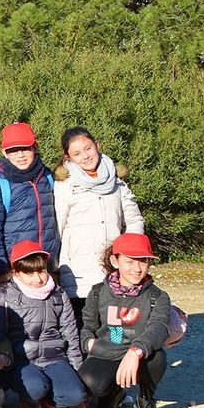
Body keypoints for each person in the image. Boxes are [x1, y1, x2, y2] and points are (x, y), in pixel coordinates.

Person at [0, 241, 87, 408]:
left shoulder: (58, 294)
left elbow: (70, 335)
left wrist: (78, 375)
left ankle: (51, 401)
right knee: (35, 387)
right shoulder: (6, 295)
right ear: (16, 273)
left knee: (76, 394)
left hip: (55, 358)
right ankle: (31, 401)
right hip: (23, 361)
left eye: (41, 271)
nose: (38, 278)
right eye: (29, 273)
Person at [79, 233, 172, 408]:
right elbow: (87, 324)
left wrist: (135, 350)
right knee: (90, 381)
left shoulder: (158, 297)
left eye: (143, 261)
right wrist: (89, 343)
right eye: (130, 262)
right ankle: (115, 392)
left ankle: (146, 399)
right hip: (106, 352)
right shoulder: (97, 292)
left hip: (139, 354)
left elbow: (159, 328)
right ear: (115, 261)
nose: (137, 269)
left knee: (157, 360)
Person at [54, 126, 144, 317]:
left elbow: (134, 218)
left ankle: (116, 348)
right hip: (78, 271)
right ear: (68, 157)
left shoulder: (116, 182)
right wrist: (54, 266)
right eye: (77, 153)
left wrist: (131, 252)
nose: (85, 156)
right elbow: (58, 227)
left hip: (111, 267)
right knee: (82, 327)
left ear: (97, 145)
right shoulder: (65, 185)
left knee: (114, 326)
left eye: (88, 148)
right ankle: (86, 347)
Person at [0, 121, 59, 276]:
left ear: (35, 147)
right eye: (13, 150)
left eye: (25, 149)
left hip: (48, 268)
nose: (20, 155)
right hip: (16, 269)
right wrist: (2, 271)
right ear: (5, 153)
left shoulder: (47, 177)